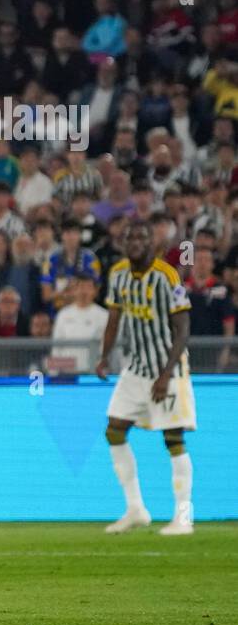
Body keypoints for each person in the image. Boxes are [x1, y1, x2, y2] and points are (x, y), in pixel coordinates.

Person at [96, 220, 196, 536]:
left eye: (141, 235)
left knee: (173, 440)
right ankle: (136, 508)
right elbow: (114, 318)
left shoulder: (168, 276)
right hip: (136, 368)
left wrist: (166, 374)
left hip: (169, 369)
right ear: (124, 244)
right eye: (130, 237)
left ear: (152, 242)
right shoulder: (118, 274)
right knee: (114, 430)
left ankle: (183, 516)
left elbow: (183, 328)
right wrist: (104, 356)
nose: (135, 241)